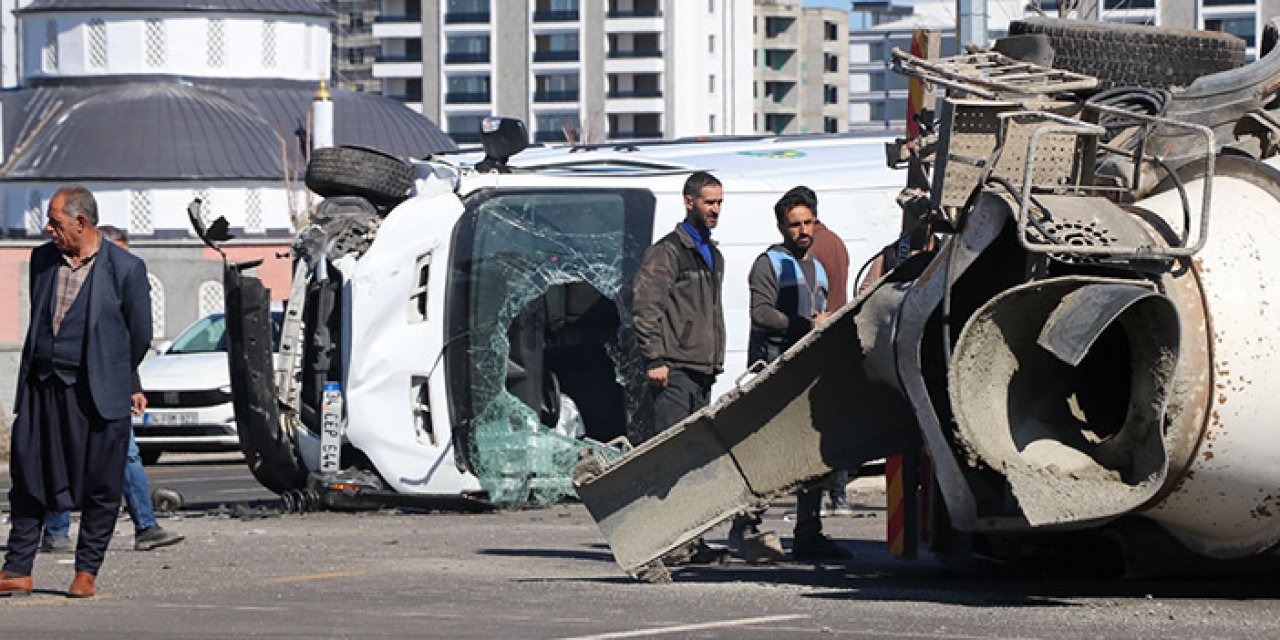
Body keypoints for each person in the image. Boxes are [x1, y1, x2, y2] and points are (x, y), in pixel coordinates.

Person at [1, 186, 153, 599]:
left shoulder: (126, 269)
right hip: (42, 388)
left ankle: (86, 570)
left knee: (102, 485)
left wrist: (117, 374)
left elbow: (139, 336)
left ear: (81, 222)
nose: (47, 228)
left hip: (97, 394)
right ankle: (17, 568)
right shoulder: (43, 260)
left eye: (55, 221)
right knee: (28, 476)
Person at [40, 225, 184, 555]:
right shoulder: (75, 277)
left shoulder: (125, 277)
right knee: (62, 451)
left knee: (125, 453)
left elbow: (128, 340)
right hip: (71, 382)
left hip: (109, 386)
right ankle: (57, 528)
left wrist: (130, 384)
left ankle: (145, 525)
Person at [730, 188, 852, 562]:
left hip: (806, 373)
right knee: (766, 455)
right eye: (795, 224)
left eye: (807, 223)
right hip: (774, 371)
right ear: (782, 226)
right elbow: (761, 313)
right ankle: (746, 526)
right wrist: (804, 324)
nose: (803, 230)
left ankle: (809, 531)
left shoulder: (814, 265)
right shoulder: (769, 263)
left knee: (811, 456)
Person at [631, 171, 728, 565]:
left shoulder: (710, 252)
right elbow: (645, 307)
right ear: (689, 202)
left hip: (701, 370)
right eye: (709, 202)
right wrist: (654, 358)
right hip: (674, 370)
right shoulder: (668, 251)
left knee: (694, 461)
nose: (716, 210)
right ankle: (664, 543)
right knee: (669, 459)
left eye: (720, 203)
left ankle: (691, 540)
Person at [791, 187, 856, 518]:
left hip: (819, 340)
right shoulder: (837, 242)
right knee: (836, 423)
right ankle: (839, 495)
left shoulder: (813, 248)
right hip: (839, 340)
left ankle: (816, 507)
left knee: (816, 428)